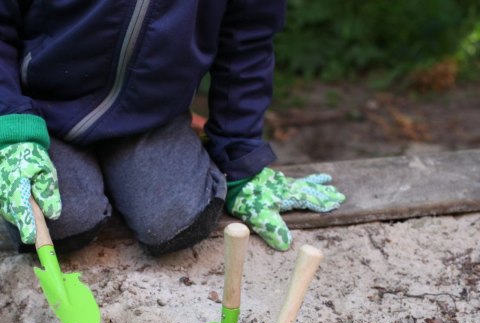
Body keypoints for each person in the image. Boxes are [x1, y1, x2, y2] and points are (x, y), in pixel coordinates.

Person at [0, 1, 345, 255]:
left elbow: (246, 45)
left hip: (150, 117)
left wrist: (240, 157)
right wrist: (9, 126)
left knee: (176, 219)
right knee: (60, 221)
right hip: (39, 110)